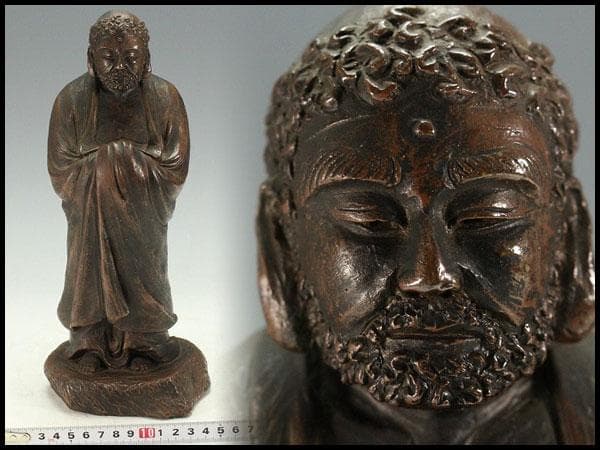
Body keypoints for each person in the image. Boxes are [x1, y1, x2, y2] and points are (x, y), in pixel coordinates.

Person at [250, 5, 594, 443]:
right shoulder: (234, 406)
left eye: (487, 218)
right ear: (281, 242)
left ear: (570, 235)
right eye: (370, 222)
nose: (429, 275)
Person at [48, 11, 189, 373]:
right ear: (91, 59)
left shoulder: (165, 98)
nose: (120, 67)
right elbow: (61, 170)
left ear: (147, 58)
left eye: (131, 57)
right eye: (109, 58)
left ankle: (145, 341)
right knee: (87, 273)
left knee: (145, 271)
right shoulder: (71, 100)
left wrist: (124, 164)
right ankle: (89, 342)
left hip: (143, 219)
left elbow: (175, 168)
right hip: (90, 222)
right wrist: (107, 166)